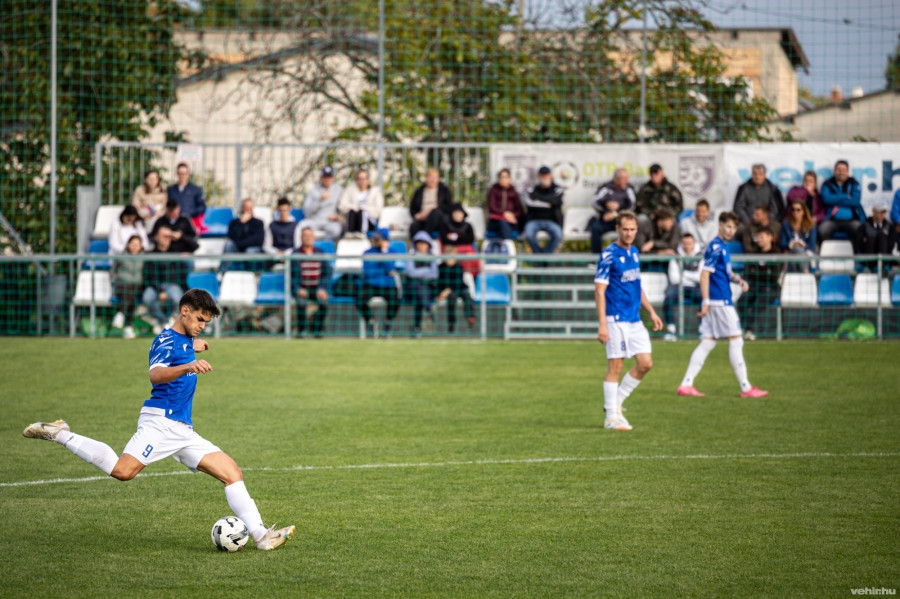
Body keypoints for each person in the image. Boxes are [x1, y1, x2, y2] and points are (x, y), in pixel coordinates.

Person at [22, 289, 294, 551]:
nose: (202, 326)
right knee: (122, 471)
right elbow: (156, 374)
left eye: (206, 323)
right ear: (184, 311)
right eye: (199, 319)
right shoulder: (164, 340)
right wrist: (188, 364)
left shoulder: (185, 340)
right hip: (160, 423)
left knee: (232, 473)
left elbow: (183, 346)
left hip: (182, 430)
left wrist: (192, 347)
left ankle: (262, 537)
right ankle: (60, 433)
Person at [676, 211, 768, 398]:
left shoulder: (722, 247)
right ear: (720, 226)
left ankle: (686, 384)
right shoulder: (716, 247)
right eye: (728, 226)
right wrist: (706, 301)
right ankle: (745, 388)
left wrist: (738, 280)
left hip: (718, 300)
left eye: (734, 227)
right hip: (719, 301)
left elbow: (725, 272)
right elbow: (704, 274)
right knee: (736, 339)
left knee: (708, 342)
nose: (731, 230)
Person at [594, 211, 664, 431]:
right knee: (616, 365)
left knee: (645, 363)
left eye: (632, 229)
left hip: (634, 319)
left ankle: (615, 403)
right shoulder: (608, 254)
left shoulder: (634, 252)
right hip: (615, 319)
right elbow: (599, 290)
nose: (629, 233)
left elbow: (636, 285)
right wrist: (603, 324)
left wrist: (651, 311)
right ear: (618, 229)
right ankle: (611, 418)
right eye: (625, 229)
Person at [142, 226, 189, 331]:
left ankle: (168, 320)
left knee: (177, 298)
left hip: (173, 285)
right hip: (155, 286)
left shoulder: (176, 253)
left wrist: (179, 236)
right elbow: (150, 275)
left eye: (169, 236)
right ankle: (164, 321)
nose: (167, 239)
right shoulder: (150, 254)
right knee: (147, 298)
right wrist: (160, 291)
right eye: (164, 236)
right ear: (156, 237)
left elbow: (194, 245)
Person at [356, 228, 401, 337]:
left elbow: (390, 269)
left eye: (379, 239)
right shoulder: (367, 253)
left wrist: (384, 252)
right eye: (375, 238)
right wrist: (383, 273)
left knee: (395, 300)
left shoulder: (391, 252)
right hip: (371, 284)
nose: (376, 240)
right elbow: (367, 272)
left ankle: (388, 322)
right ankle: (371, 321)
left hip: (388, 285)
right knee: (360, 300)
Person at [740, 227, 781, 341]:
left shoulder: (776, 253)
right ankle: (743, 329)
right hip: (755, 285)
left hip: (771, 287)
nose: (759, 239)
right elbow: (748, 273)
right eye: (758, 237)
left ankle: (750, 330)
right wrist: (765, 272)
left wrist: (757, 272)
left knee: (757, 304)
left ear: (769, 237)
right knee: (742, 301)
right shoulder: (754, 253)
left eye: (761, 237)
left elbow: (774, 276)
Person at [291, 227, 332, 338]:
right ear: (301, 238)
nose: (308, 238)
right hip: (302, 288)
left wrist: (322, 288)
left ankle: (317, 330)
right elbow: (291, 275)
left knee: (324, 304)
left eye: (310, 235)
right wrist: (298, 289)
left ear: (313, 238)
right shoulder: (295, 254)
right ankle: (301, 331)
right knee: (301, 303)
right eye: (305, 235)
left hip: (317, 288)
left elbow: (327, 272)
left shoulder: (320, 253)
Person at [662, 233, 703, 341]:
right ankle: (671, 330)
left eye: (689, 243)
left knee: (705, 298)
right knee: (668, 298)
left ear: (694, 243)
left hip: (695, 287)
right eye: (684, 243)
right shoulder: (676, 256)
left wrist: (683, 273)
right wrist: (692, 275)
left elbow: (701, 277)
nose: (687, 246)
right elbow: (674, 278)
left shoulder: (701, 256)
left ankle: (702, 329)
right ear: (681, 244)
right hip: (678, 287)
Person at [590, 168, 636, 253]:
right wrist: (606, 206)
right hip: (607, 220)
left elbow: (632, 206)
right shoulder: (606, 188)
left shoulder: (629, 188)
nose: (627, 181)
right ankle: (596, 256)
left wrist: (617, 213)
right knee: (595, 228)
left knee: (631, 228)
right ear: (616, 179)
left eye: (627, 178)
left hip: (622, 220)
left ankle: (629, 254)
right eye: (624, 178)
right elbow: (595, 202)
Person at [819, 160, 865, 242]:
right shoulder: (827, 184)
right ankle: (827, 250)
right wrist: (845, 196)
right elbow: (826, 199)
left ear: (847, 172)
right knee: (822, 230)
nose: (841, 172)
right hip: (832, 221)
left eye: (844, 170)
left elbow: (855, 201)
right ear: (834, 171)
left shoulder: (854, 183)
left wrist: (834, 199)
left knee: (860, 229)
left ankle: (856, 250)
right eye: (839, 170)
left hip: (851, 221)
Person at [523, 166, 564, 254]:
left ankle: (544, 257)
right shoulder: (533, 189)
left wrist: (538, 198)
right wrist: (549, 202)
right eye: (542, 175)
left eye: (546, 175)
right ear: (538, 176)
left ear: (551, 176)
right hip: (534, 220)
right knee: (528, 234)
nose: (544, 177)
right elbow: (529, 203)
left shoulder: (557, 189)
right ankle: (540, 257)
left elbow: (556, 201)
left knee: (558, 235)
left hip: (552, 221)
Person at [405, 231, 439, 337]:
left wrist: (419, 274)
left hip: (426, 288)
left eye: (424, 244)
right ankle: (429, 309)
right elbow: (410, 272)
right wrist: (426, 271)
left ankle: (417, 327)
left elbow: (434, 274)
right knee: (418, 289)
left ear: (428, 245)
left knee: (419, 296)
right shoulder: (411, 257)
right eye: (419, 243)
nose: (422, 246)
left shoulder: (431, 258)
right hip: (412, 287)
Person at [110, 235, 145, 340]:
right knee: (130, 293)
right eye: (132, 244)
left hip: (137, 286)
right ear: (128, 245)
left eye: (137, 245)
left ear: (141, 246)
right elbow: (112, 271)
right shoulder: (121, 256)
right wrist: (114, 281)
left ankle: (121, 314)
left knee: (131, 291)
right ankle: (128, 327)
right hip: (121, 285)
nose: (134, 247)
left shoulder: (145, 258)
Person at [436, 246, 475, 333]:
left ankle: (470, 316)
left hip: (459, 288)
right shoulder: (440, 267)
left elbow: (458, 282)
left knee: (467, 295)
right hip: (448, 292)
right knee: (452, 298)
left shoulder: (458, 267)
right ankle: (451, 322)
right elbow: (439, 283)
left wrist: (448, 290)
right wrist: (441, 293)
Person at [299, 166, 343, 241]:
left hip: (330, 221)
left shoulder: (338, 190)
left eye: (329, 177)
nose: (327, 179)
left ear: (333, 178)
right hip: (315, 220)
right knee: (301, 226)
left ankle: (323, 245)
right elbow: (306, 211)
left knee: (336, 230)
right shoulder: (313, 190)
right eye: (325, 177)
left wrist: (338, 216)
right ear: (321, 177)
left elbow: (343, 207)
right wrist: (319, 200)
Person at [409, 167, 453, 238]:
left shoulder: (444, 190)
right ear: (426, 178)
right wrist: (416, 215)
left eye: (434, 177)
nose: (432, 180)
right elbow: (412, 207)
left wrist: (429, 211)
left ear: (438, 179)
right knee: (414, 226)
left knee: (435, 213)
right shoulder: (419, 191)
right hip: (423, 219)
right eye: (430, 177)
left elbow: (448, 207)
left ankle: (424, 238)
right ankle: (416, 244)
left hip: (439, 220)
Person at [854, 201, 897, 272]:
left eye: (884, 212)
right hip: (866, 261)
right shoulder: (863, 227)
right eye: (880, 212)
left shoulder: (890, 228)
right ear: (873, 211)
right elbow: (860, 244)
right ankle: (870, 267)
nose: (883, 214)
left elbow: (890, 245)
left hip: (884, 262)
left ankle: (881, 267)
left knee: (881, 238)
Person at [339, 169, 384, 236]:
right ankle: (349, 234)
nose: (362, 181)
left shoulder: (375, 191)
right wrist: (354, 207)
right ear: (356, 180)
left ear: (368, 179)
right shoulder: (350, 190)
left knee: (362, 212)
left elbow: (378, 210)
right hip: (352, 219)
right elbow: (341, 205)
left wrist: (362, 208)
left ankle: (362, 233)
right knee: (352, 212)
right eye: (360, 179)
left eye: (364, 178)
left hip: (369, 220)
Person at [780, 200, 817, 272]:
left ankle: (804, 271)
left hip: (808, 252)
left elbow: (812, 244)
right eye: (793, 209)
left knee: (797, 249)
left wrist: (801, 244)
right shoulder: (786, 224)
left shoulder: (811, 225)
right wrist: (791, 244)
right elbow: (782, 243)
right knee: (795, 249)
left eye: (798, 210)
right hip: (791, 252)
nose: (795, 212)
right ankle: (805, 272)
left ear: (804, 212)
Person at [486, 168, 523, 240]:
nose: (503, 179)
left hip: (511, 221)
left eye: (505, 177)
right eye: (501, 177)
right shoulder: (493, 191)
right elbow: (492, 207)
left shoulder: (513, 192)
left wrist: (512, 215)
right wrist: (504, 214)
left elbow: (519, 210)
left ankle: (505, 243)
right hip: (496, 221)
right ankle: (507, 243)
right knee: (503, 223)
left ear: (509, 179)